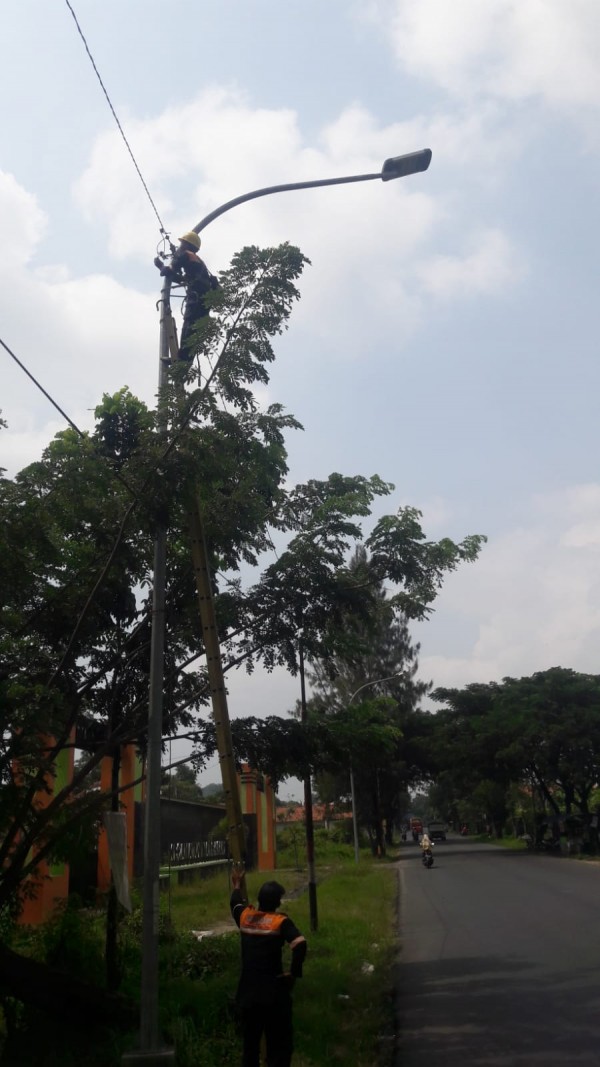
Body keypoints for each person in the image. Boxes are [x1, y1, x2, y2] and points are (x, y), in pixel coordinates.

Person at [230, 866, 307, 1067]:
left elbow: (235, 903)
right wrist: (293, 973)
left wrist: (237, 885)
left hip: (248, 995)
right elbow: (299, 944)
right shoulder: (280, 922)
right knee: (279, 1046)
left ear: (259, 900)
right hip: (273, 994)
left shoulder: (246, 918)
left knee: (250, 1047)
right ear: (277, 902)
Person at [154, 231, 219, 360]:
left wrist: (159, 265)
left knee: (188, 328)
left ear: (186, 244)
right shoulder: (198, 261)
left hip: (195, 300)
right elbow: (183, 279)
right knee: (194, 332)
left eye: (182, 243)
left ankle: (182, 361)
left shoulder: (184, 255)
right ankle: (185, 363)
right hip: (205, 303)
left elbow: (168, 272)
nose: (180, 246)